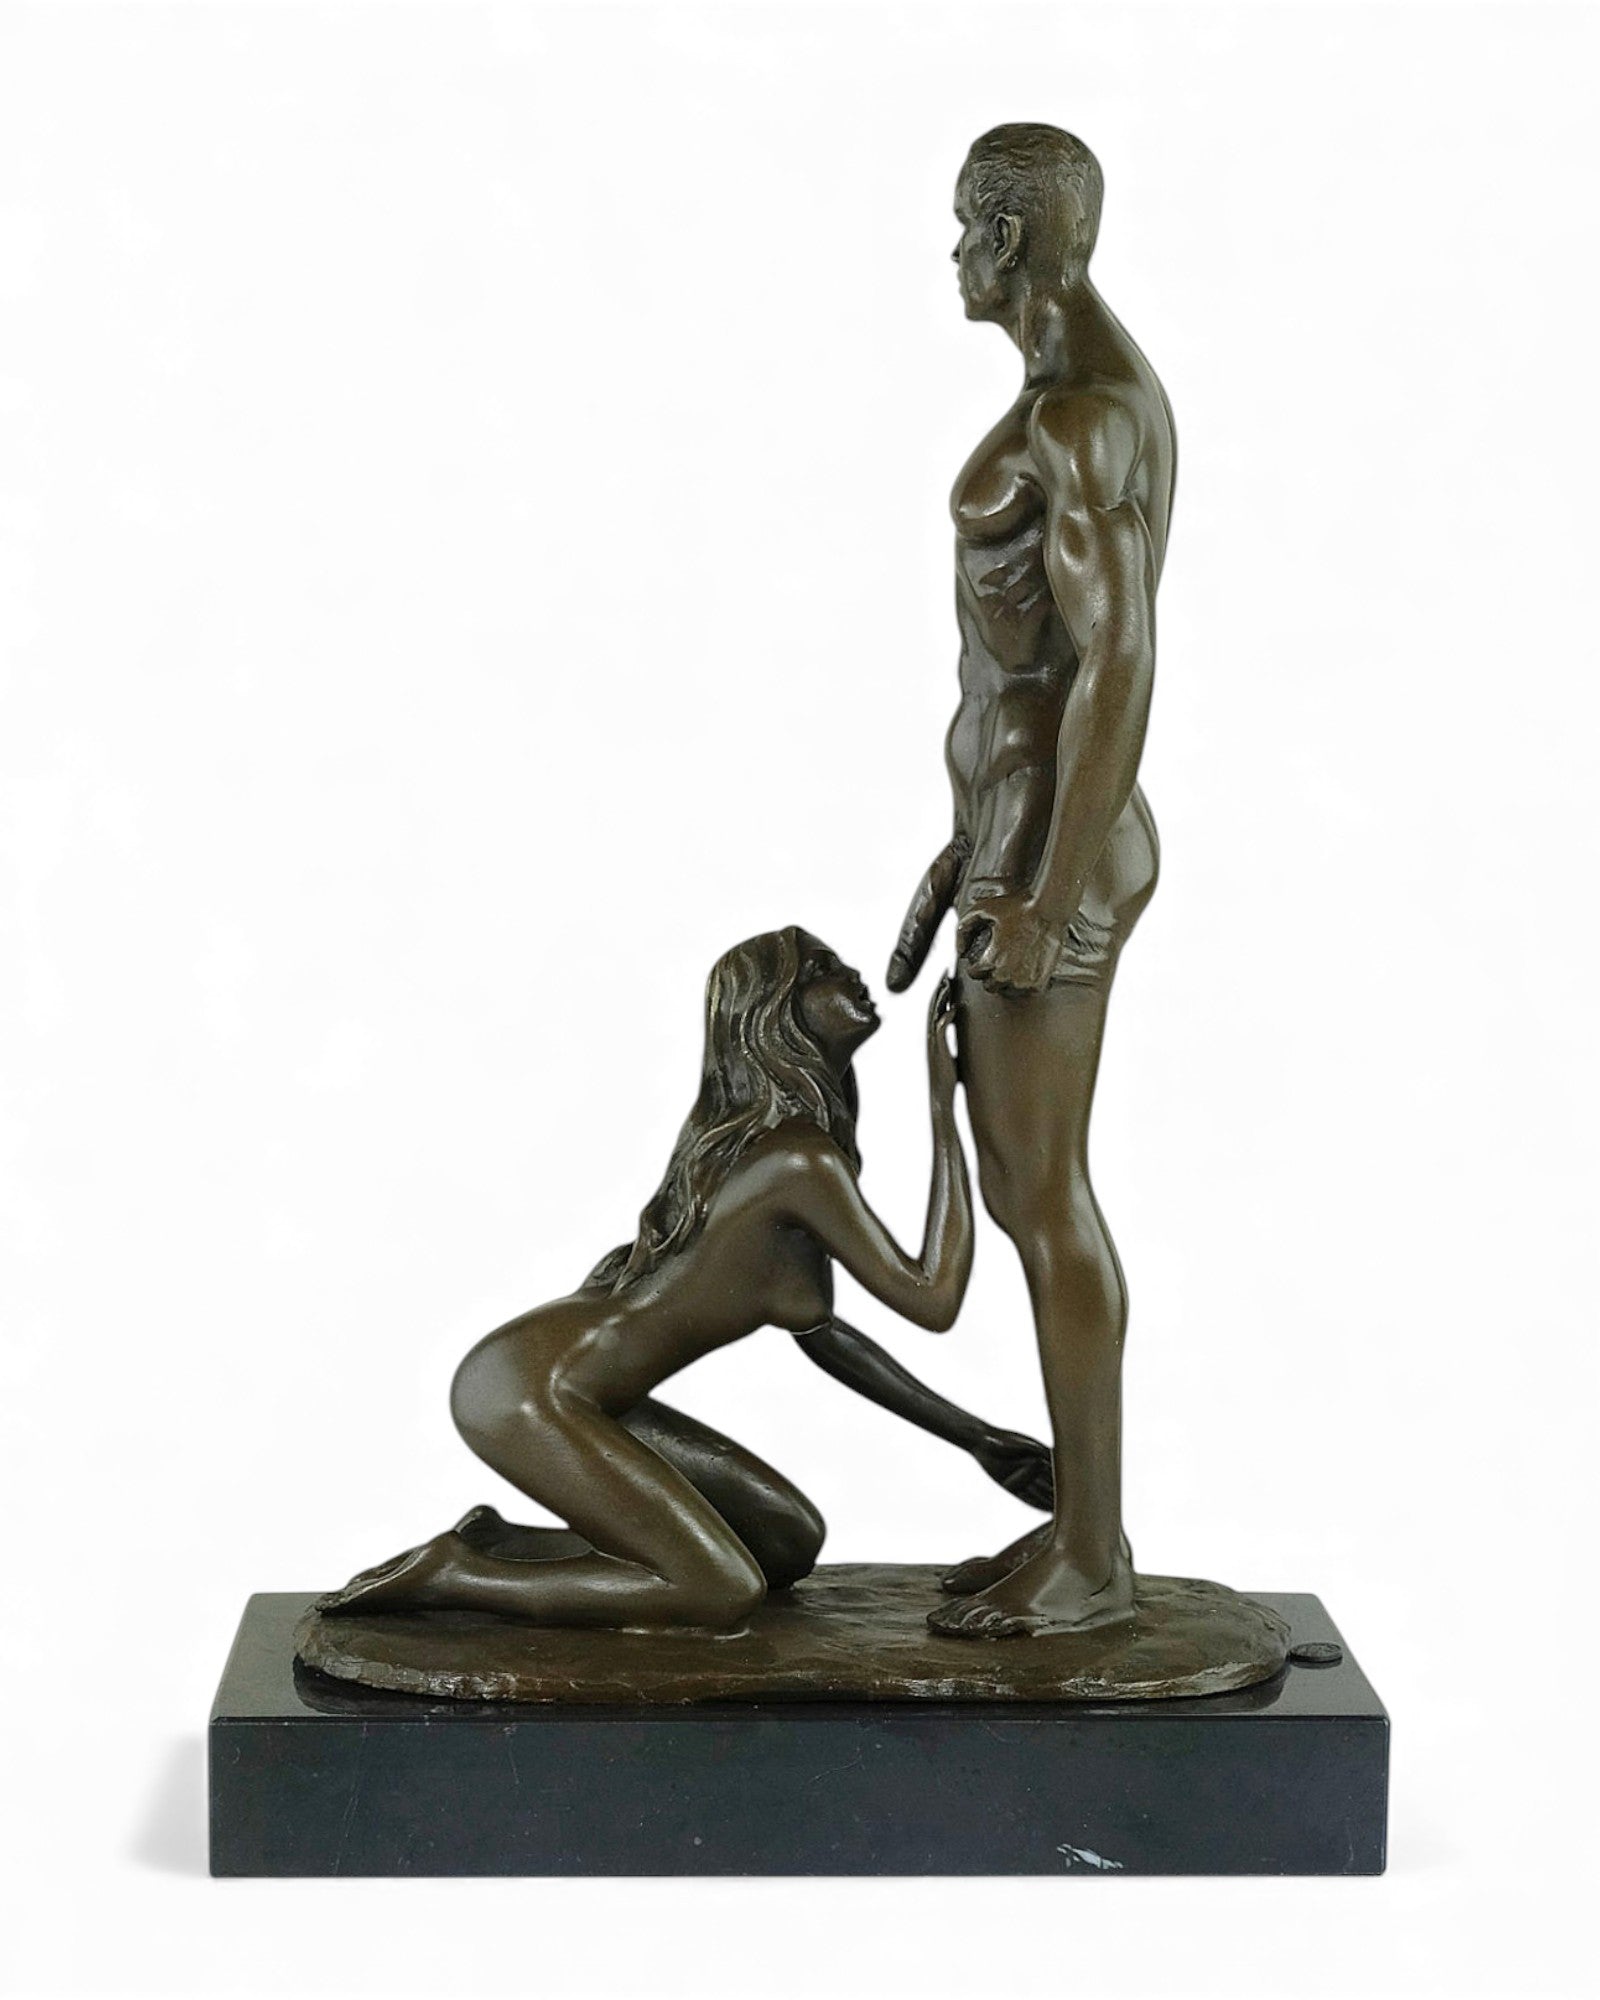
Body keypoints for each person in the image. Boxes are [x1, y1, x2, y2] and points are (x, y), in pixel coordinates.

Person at [321, 928, 1035, 1632]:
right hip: (527, 1390)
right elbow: (934, 1297)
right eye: (821, 968)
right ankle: (455, 1572)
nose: (850, 972)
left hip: (591, 1394)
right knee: (720, 1590)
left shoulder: (782, 1154)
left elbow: (825, 1337)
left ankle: (504, 1542)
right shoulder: (797, 1162)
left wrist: (976, 1438)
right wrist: (944, 1107)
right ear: (771, 1014)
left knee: (786, 1541)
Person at [888, 125, 1174, 1638]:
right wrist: (972, 848)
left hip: (1056, 859)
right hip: (1017, 844)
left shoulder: (1079, 418)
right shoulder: (1072, 402)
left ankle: (1095, 1559)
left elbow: (1116, 658)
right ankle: (1080, 1527)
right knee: (1021, 1190)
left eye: (963, 227)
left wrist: (1047, 895)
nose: (951, 254)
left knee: (1045, 1194)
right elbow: (1042, 667)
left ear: (1011, 238)